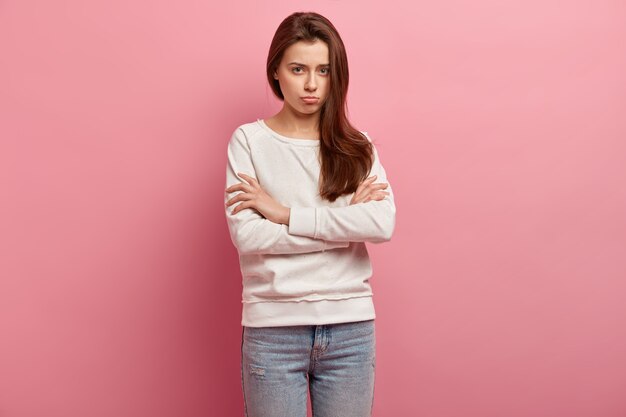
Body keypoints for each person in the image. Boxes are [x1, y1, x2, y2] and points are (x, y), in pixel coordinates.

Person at [223, 11, 396, 417]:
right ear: (276, 71)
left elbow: (381, 223)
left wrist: (282, 213)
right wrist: (343, 221)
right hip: (273, 331)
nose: (312, 84)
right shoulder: (249, 142)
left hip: (351, 328)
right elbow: (248, 236)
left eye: (324, 70)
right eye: (298, 69)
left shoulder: (358, 146)